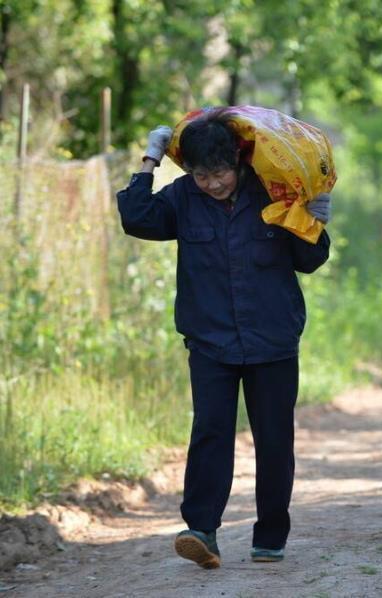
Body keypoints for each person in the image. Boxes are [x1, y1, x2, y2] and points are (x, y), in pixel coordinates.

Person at [116, 108, 332, 569]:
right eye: (201, 175)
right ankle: (202, 531)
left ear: (238, 160)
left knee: (274, 440)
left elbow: (310, 261)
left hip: (272, 339)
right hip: (209, 340)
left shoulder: (275, 192)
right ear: (189, 171)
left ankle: (270, 537)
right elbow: (135, 218)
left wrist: (315, 221)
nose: (212, 184)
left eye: (219, 173)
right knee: (210, 433)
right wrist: (149, 160)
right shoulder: (181, 198)